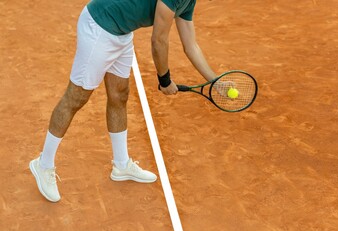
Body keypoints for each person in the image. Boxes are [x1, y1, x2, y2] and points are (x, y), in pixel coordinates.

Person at [29, 0, 217, 202]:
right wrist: (164, 80)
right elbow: (159, 40)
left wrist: (215, 82)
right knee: (76, 97)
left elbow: (191, 45)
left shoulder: (188, 1)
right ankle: (43, 164)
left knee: (120, 94)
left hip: (122, 33)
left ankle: (121, 164)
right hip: (100, 28)